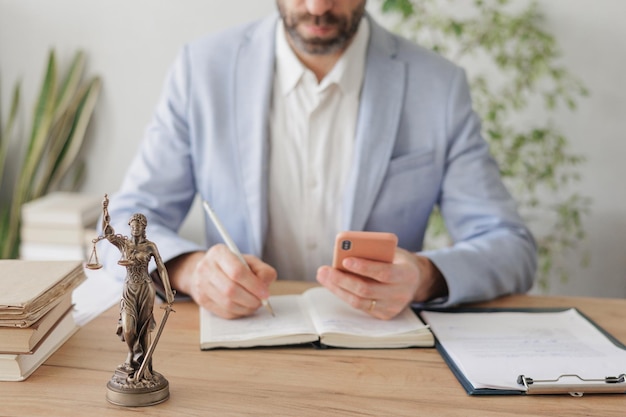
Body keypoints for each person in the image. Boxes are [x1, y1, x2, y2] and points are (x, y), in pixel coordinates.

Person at [100, 0, 537, 321]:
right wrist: (188, 270)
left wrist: (425, 276)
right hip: (242, 342)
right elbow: (128, 217)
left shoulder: (439, 86)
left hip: (379, 353)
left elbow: (510, 247)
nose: (317, 7)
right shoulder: (201, 70)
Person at [100, 195, 175, 381]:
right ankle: (132, 354)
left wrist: (167, 292)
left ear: (144, 227)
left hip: (145, 288)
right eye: (132, 225)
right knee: (128, 327)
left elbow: (162, 268)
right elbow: (108, 234)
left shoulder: (150, 246)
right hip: (129, 289)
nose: (135, 228)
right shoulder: (123, 244)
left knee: (144, 327)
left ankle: (143, 364)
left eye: (138, 225)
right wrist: (105, 212)